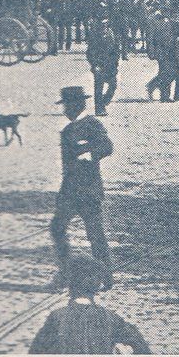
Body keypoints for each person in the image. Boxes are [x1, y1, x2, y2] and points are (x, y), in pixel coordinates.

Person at [49, 85, 114, 288]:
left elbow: (107, 146)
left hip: (88, 190)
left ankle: (105, 274)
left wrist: (89, 153)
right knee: (57, 228)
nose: (65, 110)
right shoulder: (68, 130)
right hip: (69, 190)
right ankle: (66, 272)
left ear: (78, 104)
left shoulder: (92, 124)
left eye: (67, 105)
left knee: (95, 233)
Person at [28, 255, 149, 355]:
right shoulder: (111, 319)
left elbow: (34, 356)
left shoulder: (56, 317)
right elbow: (144, 351)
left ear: (69, 286)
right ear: (97, 287)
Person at [85, 15, 121, 116]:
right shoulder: (94, 35)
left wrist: (115, 62)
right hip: (99, 65)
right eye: (102, 24)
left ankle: (104, 101)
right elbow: (90, 53)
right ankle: (99, 109)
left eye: (105, 24)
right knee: (98, 88)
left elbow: (116, 50)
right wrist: (95, 64)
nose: (104, 26)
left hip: (110, 65)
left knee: (113, 85)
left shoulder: (112, 34)